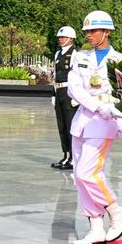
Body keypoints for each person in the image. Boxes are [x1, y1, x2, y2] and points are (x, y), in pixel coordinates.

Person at [67, 10, 122, 244]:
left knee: (87, 172)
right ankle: (95, 226)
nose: (89, 35)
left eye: (94, 31)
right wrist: (96, 105)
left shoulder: (121, 60)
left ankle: (115, 210)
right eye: (87, 31)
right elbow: (75, 88)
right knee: (79, 177)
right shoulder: (80, 56)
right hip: (83, 120)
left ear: (107, 32)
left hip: (105, 123)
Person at [51, 26, 79, 170]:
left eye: (63, 37)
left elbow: (77, 76)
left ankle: (74, 158)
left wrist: (76, 95)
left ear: (71, 39)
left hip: (69, 91)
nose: (60, 39)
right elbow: (55, 76)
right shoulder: (57, 54)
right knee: (61, 125)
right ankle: (66, 155)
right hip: (59, 90)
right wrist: (53, 94)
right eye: (59, 38)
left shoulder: (75, 54)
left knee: (70, 126)